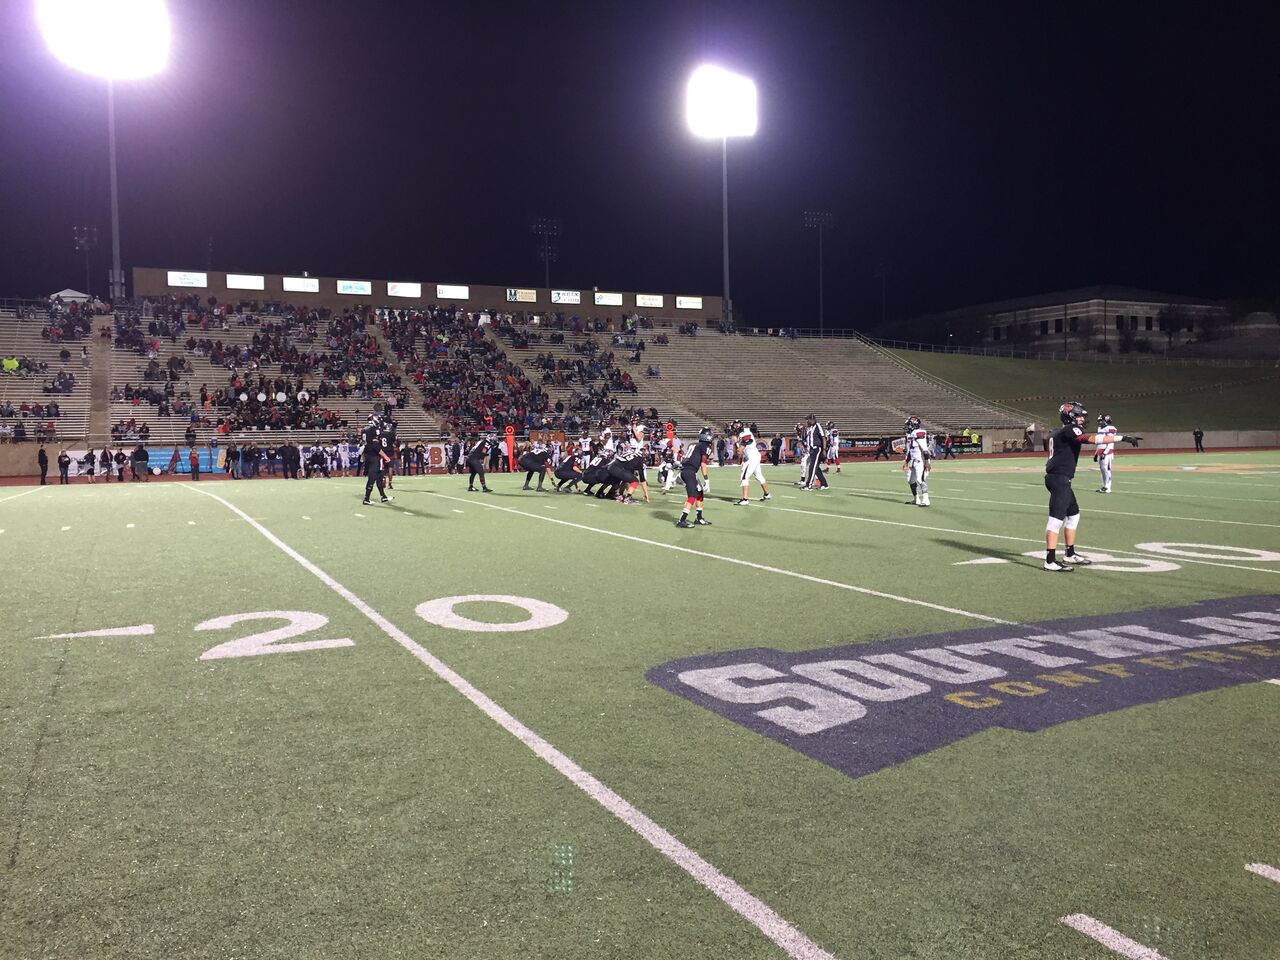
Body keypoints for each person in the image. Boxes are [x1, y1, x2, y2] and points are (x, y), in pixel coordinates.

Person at [1043, 401, 1139, 572]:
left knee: (1073, 515)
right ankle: (1050, 561)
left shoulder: (1056, 432)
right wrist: (1121, 438)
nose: (1082, 419)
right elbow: (1089, 439)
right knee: (1056, 520)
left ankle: (1069, 554)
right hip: (1059, 478)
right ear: (1069, 416)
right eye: (1079, 416)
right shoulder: (1069, 429)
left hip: (1060, 478)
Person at [675, 427, 714, 528]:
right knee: (692, 497)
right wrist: (706, 479)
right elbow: (703, 464)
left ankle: (699, 518)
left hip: (686, 471)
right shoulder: (705, 446)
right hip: (689, 472)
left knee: (700, 493)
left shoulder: (694, 444)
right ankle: (681, 521)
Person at [734, 422, 771, 505]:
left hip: (752, 457)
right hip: (753, 456)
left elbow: (740, 450)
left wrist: (736, 444)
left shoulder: (745, 434)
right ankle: (767, 494)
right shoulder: (743, 433)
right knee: (759, 476)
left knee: (744, 477)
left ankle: (745, 499)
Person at [362, 415, 392, 505]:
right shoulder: (373, 430)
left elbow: (366, 444)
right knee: (372, 478)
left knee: (379, 477)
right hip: (374, 457)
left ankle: (383, 496)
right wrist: (385, 456)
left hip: (369, 456)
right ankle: (366, 499)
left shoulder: (365, 430)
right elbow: (375, 446)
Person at [903, 416, 931, 506]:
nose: (907, 427)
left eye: (908, 425)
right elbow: (910, 451)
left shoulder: (919, 432)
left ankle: (926, 500)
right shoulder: (910, 435)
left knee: (920, 479)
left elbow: (925, 449)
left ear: (913, 425)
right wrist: (906, 462)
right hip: (914, 460)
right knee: (911, 480)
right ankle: (916, 499)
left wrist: (926, 462)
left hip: (921, 460)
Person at [802, 415, 829, 490]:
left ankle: (809, 485)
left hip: (816, 449)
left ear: (812, 420)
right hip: (811, 450)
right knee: (816, 468)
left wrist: (824, 449)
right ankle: (824, 484)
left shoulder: (817, 426)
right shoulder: (810, 428)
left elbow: (823, 437)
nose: (807, 421)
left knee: (812, 467)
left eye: (808, 420)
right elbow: (806, 438)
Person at [1094, 413, 1117, 493]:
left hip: (1107, 452)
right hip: (1100, 451)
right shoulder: (1100, 428)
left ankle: (1108, 487)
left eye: (1101, 420)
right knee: (1103, 470)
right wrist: (1096, 453)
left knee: (1106, 470)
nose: (1099, 422)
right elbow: (1099, 443)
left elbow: (1110, 442)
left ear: (1106, 420)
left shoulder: (1110, 429)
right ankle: (1105, 486)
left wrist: (1105, 452)